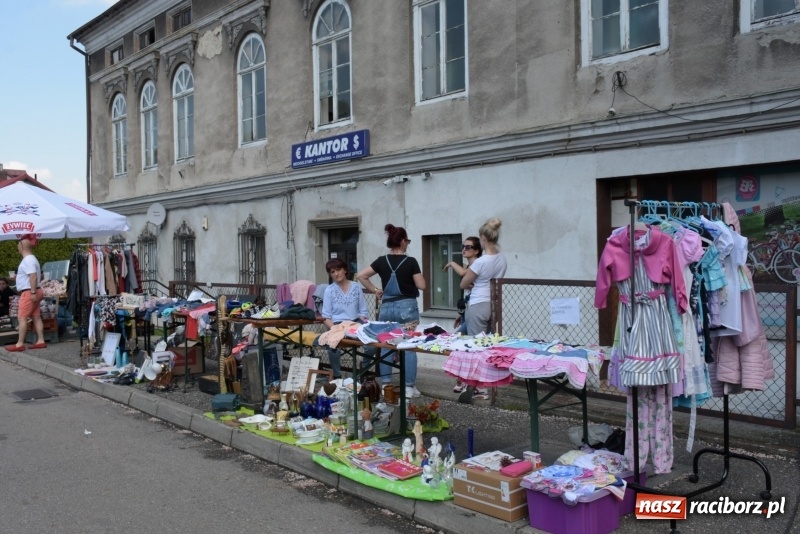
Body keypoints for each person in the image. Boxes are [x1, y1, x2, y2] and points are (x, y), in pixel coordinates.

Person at [357, 224, 426, 399]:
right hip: (406, 307)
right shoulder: (411, 262)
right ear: (402, 241)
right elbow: (422, 285)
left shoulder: (381, 261)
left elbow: (361, 276)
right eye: (407, 241)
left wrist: (375, 290)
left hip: (387, 307)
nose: (407, 244)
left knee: (386, 346)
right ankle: (409, 387)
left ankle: (386, 385)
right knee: (409, 346)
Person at [460, 218, 507, 398]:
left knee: (475, 345)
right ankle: (486, 383)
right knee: (488, 344)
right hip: (493, 304)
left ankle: (478, 387)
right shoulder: (501, 258)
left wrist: (471, 282)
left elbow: (464, 283)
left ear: (483, 238)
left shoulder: (481, 262)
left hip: (478, 303)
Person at [443, 236, 482, 393]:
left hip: (476, 311)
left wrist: (451, 263)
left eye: (468, 247)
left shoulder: (478, 264)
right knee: (461, 346)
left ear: (477, 250)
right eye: (463, 246)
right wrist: (461, 314)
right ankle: (462, 380)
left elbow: (464, 272)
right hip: (468, 310)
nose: (464, 249)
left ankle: (474, 384)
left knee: (458, 341)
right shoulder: (470, 265)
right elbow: (467, 292)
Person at [320, 257, 369, 379]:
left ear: (345, 270)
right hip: (337, 324)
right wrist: (334, 328)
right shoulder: (329, 290)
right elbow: (326, 316)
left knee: (372, 344)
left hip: (355, 323)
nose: (336, 274)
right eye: (332, 272)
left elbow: (363, 311)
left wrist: (363, 324)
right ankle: (337, 375)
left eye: (338, 269)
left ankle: (364, 369)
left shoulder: (356, 287)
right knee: (332, 346)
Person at [8, 235, 46, 351]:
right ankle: (41, 340)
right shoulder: (32, 259)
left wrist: (32, 292)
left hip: (29, 292)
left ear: (21, 246)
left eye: (18, 245)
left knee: (22, 317)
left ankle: (19, 344)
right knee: (36, 316)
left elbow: (33, 276)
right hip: (34, 290)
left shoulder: (28, 260)